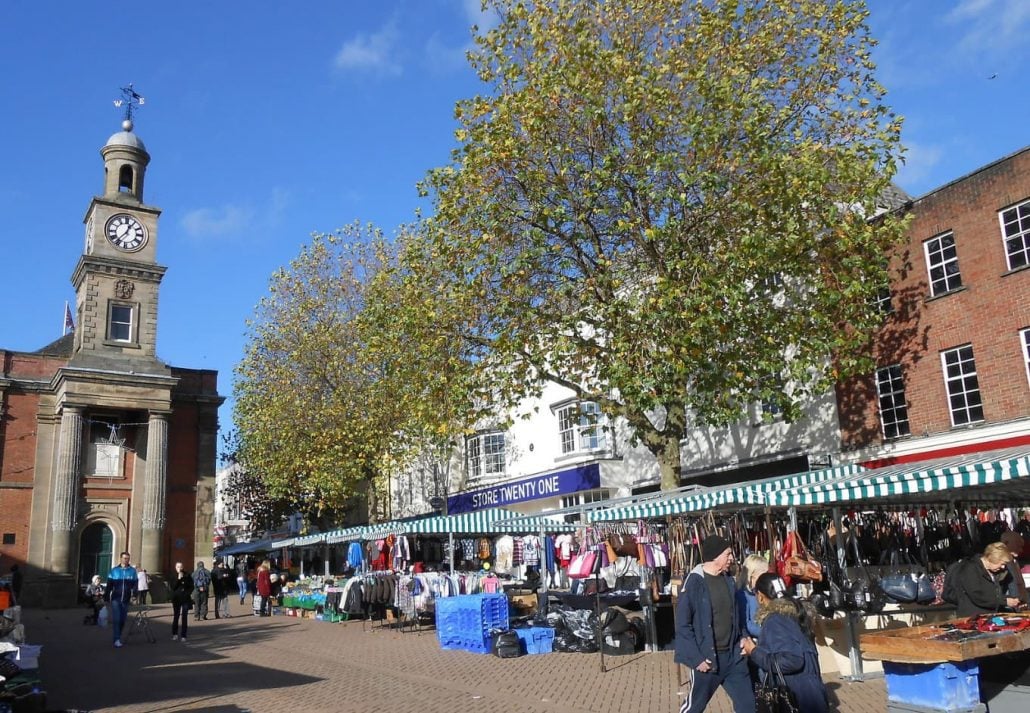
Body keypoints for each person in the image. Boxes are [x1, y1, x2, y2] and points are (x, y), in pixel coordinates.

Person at [674, 535, 756, 713]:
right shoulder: (694, 583)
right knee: (694, 707)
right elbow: (682, 625)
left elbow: (737, 616)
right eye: (728, 554)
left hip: (734, 657)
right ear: (715, 556)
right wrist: (696, 659)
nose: (731, 558)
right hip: (708, 659)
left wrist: (743, 636)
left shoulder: (728, 581)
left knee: (748, 705)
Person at [741, 573, 829, 713]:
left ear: (760, 596)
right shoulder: (795, 614)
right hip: (811, 692)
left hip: (798, 697)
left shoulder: (776, 620)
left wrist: (754, 651)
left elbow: (792, 660)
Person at [949, 542, 1022, 617]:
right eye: (1002, 563)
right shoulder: (970, 569)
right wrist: (1004, 601)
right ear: (993, 558)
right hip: (972, 618)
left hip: (989, 615)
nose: (1003, 567)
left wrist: (1009, 599)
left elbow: (993, 594)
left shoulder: (994, 571)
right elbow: (977, 596)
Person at [104, 551, 138, 648]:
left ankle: (117, 637)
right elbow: (109, 585)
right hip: (116, 598)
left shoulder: (132, 571)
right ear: (121, 559)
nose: (126, 560)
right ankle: (117, 639)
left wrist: (134, 595)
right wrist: (106, 597)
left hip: (126, 599)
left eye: (128, 558)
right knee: (117, 619)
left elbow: (135, 584)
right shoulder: (114, 570)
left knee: (123, 620)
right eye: (124, 558)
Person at [736, 554, 770, 639]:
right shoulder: (743, 595)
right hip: (755, 639)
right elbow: (746, 623)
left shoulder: (761, 591)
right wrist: (768, 633)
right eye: (763, 574)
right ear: (752, 574)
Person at [170, 561, 194, 642]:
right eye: (178, 567)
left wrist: (187, 593)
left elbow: (191, 586)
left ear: (183, 567)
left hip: (185, 599)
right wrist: (178, 579)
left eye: (181, 567)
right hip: (176, 599)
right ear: (175, 567)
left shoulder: (187, 575)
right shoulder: (173, 575)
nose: (179, 568)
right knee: (176, 616)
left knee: (184, 617)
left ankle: (184, 635)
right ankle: (175, 634)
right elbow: (173, 587)